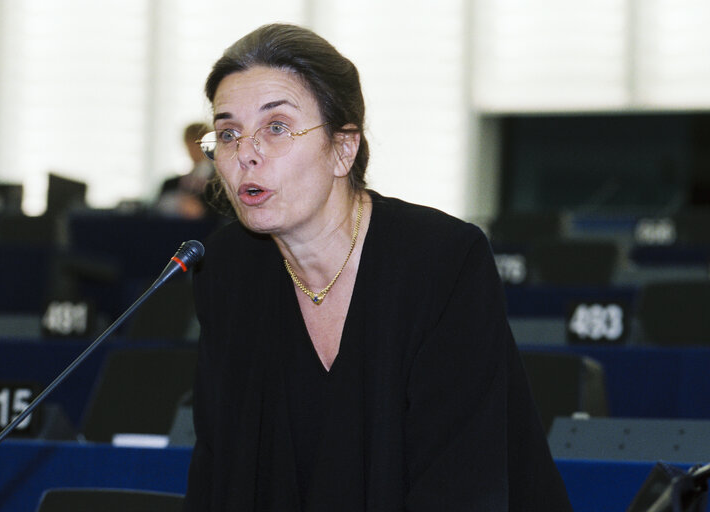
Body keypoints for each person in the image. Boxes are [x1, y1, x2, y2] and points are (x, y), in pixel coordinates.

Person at [184, 23, 572, 512]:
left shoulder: (442, 259)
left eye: (276, 128)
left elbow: (460, 481)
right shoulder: (227, 269)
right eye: (228, 133)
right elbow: (220, 467)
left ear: (343, 148)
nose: (246, 154)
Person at [157, 122, 215, 219]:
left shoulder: (218, 182)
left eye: (197, 143)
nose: (193, 149)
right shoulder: (171, 184)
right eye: (189, 143)